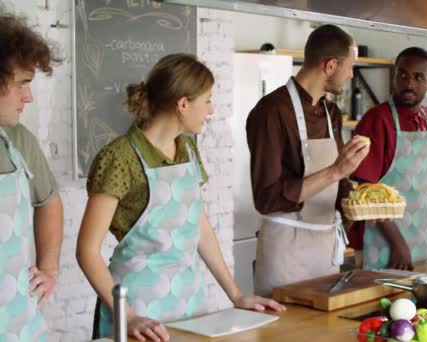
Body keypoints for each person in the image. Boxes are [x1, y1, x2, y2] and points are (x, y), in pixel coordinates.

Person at [76, 54, 285, 342]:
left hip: (189, 305)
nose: (211, 110)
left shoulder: (186, 149)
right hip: (137, 310)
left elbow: (199, 227)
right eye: (207, 100)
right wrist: (130, 316)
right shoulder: (119, 158)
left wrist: (235, 295)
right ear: (183, 104)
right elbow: (87, 250)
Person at [246, 24, 370, 296]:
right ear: (330, 66)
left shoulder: (331, 113)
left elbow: (337, 184)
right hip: (286, 254)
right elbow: (266, 198)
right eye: (349, 67)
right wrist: (336, 172)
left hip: (324, 251)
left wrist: (363, 202)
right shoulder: (271, 112)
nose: (351, 75)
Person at [348, 47, 427, 270]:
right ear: (394, 77)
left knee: (421, 304)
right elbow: (367, 190)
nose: (409, 84)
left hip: (422, 238)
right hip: (382, 240)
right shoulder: (377, 120)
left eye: (419, 77)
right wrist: (398, 243)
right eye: (403, 75)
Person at [0, 14, 64, 341]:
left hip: (21, 324)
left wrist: (49, 268)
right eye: (22, 83)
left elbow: (49, 202)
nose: (29, 97)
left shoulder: (18, 139)